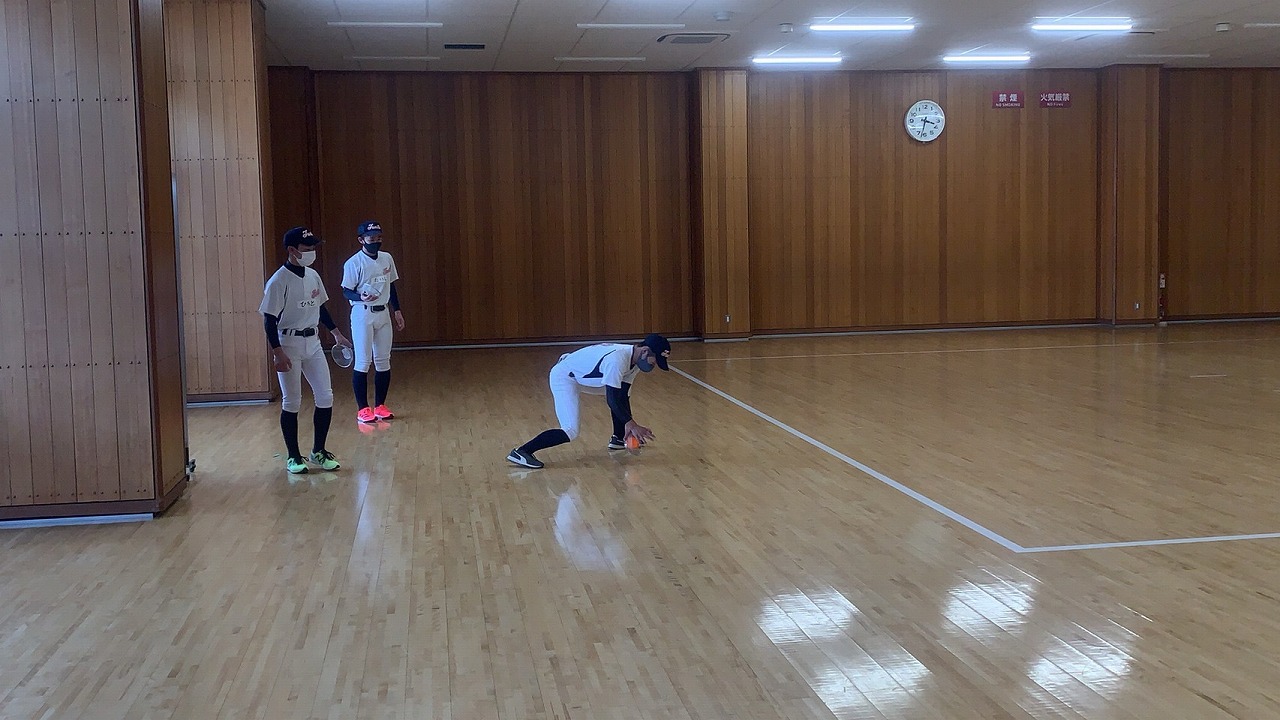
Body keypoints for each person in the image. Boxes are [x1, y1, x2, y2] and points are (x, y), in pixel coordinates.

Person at [259, 226, 351, 474]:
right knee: (292, 401)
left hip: (313, 343)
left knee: (325, 396)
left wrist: (337, 333)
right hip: (288, 343)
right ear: (292, 250)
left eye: (313, 247)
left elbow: (321, 308)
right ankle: (293, 456)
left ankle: (318, 451)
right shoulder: (278, 281)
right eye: (307, 248)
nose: (312, 252)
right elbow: (269, 319)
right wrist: (278, 352)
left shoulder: (313, 275)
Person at [507, 334, 671, 469]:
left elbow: (622, 396)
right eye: (655, 360)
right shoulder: (617, 360)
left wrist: (627, 427)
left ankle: (618, 438)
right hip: (565, 377)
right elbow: (612, 399)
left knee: (619, 393)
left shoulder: (634, 362)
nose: (654, 365)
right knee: (570, 430)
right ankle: (522, 451)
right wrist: (632, 425)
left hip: (582, 377)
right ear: (645, 351)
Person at [341, 221, 405, 424]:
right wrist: (360, 297)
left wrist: (397, 310)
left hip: (383, 312)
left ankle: (380, 406)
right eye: (371, 238)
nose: (376, 241)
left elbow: (391, 286)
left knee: (383, 360)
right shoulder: (354, 263)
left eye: (379, 238)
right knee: (363, 361)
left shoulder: (387, 258)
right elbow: (346, 291)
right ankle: (363, 409)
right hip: (363, 313)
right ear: (361, 240)